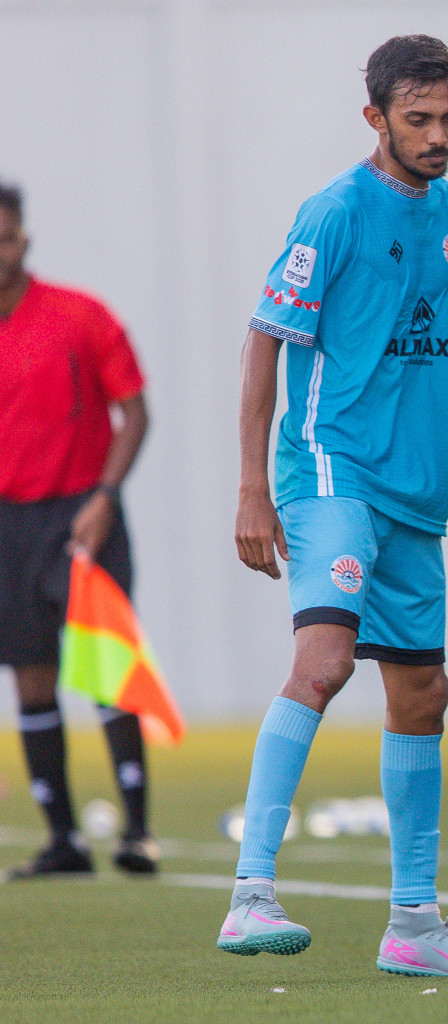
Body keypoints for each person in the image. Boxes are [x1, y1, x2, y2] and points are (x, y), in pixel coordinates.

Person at [218, 35, 448, 977]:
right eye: (419, 120)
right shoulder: (333, 212)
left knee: (423, 693)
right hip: (332, 473)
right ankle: (251, 894)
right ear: (375, 117)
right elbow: (263, 340)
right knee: (326, 660)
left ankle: (414, 925)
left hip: (419, 495)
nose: (439, 136)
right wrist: (253, 486)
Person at [0, 181, 157, 879]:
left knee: (107, 672)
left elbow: (135, 413)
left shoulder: (80, 316)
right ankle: (63, 839)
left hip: (82, 514)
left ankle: (137, 834)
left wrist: (106, 496)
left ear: (23, 240)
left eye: (4, 237)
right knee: (32, 678)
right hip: (8, 525)